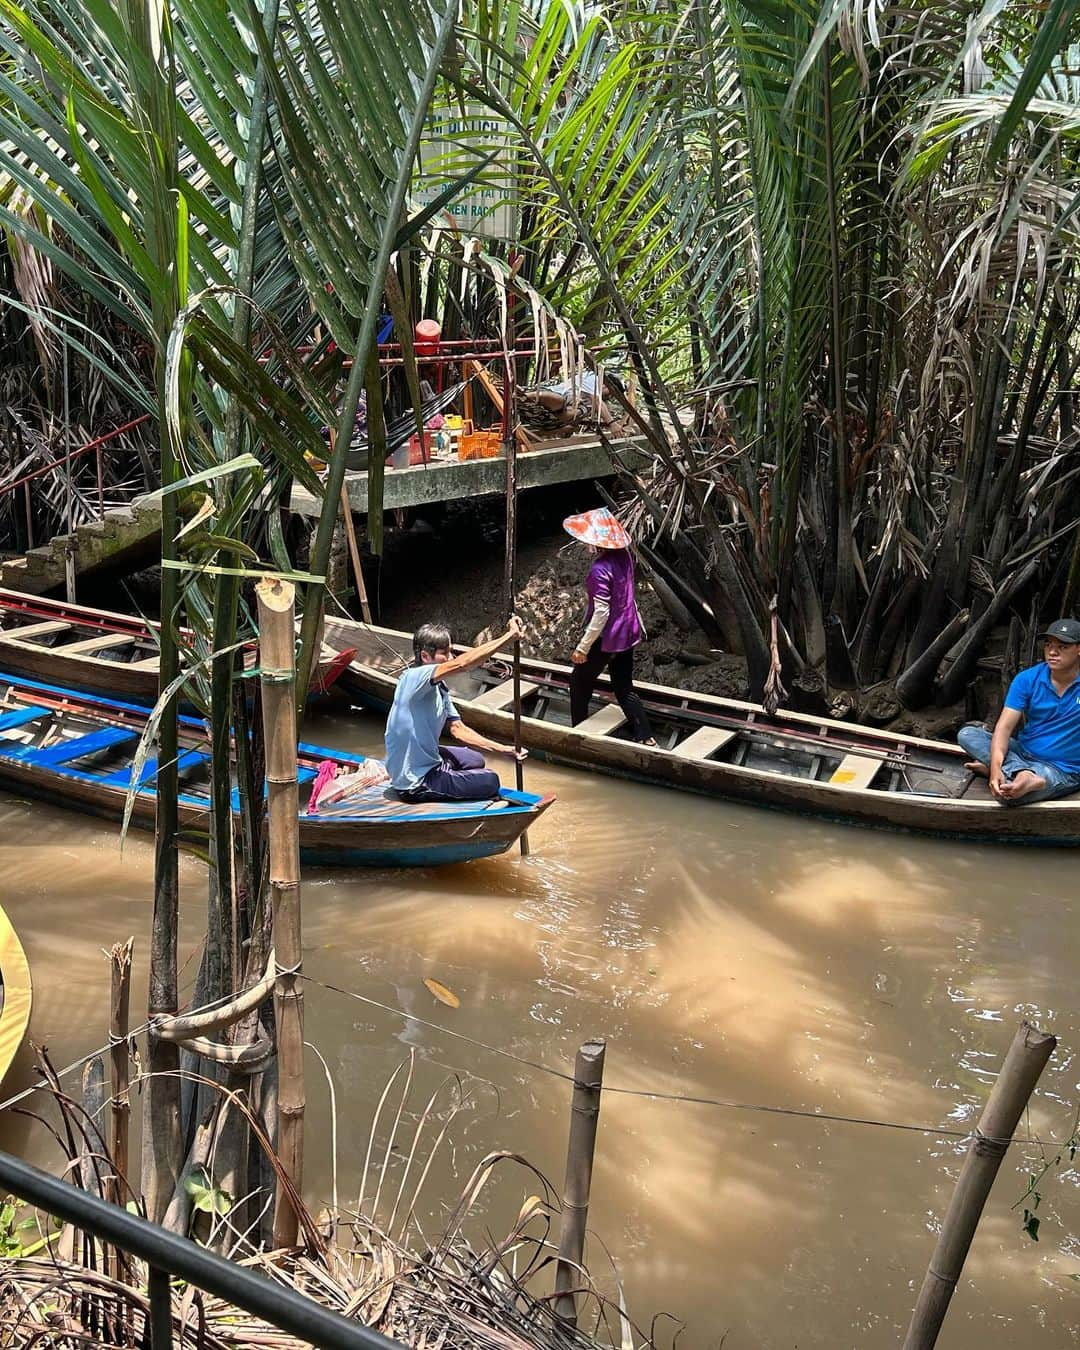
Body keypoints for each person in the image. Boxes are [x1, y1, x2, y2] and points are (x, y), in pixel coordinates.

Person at [385, 617, 528, 802]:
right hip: (415, 782)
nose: (450, 658)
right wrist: (509, 637)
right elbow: (463, 664)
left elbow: (458, 730)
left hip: (427, 762)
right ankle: (438, 784)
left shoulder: (439, 688)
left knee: (475, 760)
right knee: (491, 781)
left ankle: (448, 775)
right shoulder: (413, 678)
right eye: (445, 653)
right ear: (425, 657)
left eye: (451, 652)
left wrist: (503, 750)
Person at [957, 618, 1080, 804]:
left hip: (1062, 769)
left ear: (1079, 649)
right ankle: (1019, 772)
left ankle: (1022, 776)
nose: (1052, 652)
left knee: (1008, 797)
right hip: (1023, 752)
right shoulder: (1028, 679)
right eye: (1048, 645)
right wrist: (996, 769)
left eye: (1063, 647)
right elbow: (1004, 729)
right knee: (968, 734)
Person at [563, 507, 656, 747]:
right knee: (623, 687)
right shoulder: (625, 556)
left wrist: (582, 648)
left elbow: (601, 612)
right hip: (627, 631)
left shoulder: (599, 570)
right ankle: (646, 736)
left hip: (607, 636)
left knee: (579, 683)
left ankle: (578, 735)